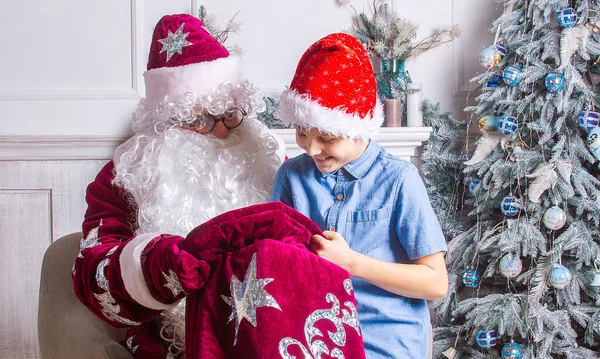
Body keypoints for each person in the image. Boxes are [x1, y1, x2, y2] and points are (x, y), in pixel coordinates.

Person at [72, 13, 287, 358]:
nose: (221, 132)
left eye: (229, 115)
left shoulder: (272, 159)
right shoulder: (126, 174)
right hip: (177, 346)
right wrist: (162, 267)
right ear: (165, 123)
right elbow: (91, 273)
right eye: (199, 120)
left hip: (276, 334)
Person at [270, 32, 449, 359]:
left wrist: (352, 263)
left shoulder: (398, 180)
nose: (311, 149)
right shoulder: (291, 177)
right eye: (301, 132)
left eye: (326, 136)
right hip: (310, 336)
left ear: (358, 127)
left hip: (385, 342)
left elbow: (435, 283)